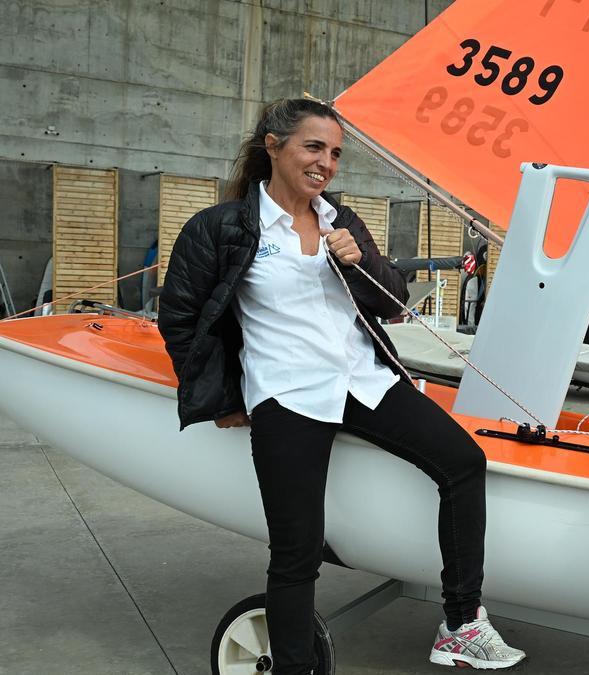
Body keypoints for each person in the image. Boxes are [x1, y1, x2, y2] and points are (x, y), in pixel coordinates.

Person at [158, 98, 525, 673]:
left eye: (334, 153)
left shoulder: (341, 222)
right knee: (297, 552)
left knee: (463, 462)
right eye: (313, 147)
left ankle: (460, 624)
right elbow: (180, 318)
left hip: (364, 380)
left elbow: (393, 301)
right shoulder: (221, 227)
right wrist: (225, 401)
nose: (325, 162)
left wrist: (362, 263)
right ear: (273, 147)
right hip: (287, 393)